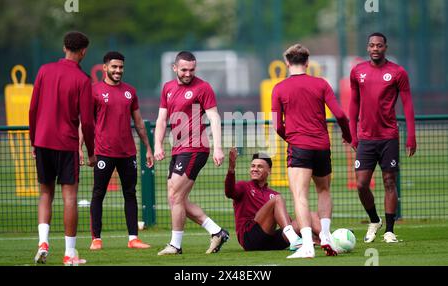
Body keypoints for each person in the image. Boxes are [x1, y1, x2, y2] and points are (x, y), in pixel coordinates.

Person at [272, 43, 351, 258]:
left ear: (287, 63)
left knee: (300, 196)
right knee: (323, 191)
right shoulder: (321, 84)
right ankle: (325, 236)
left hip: (300, 147)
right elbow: (341, 115)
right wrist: (348, 135)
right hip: (322, 147)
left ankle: (307, 245)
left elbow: (277, 125)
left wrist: (291, 139)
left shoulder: (279, 88)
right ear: (307, 62)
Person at [29, 31, 96, 266]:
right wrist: (90, 150)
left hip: (42, 141)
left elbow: (33, 109)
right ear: (83, 51)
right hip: (66, 144)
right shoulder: (83, 80)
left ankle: (43, 243)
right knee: (70, 198)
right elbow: (87, 121)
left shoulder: (44, 71)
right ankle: (69, 254)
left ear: (63, 46)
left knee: (45, 194)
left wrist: (33, 141)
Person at [154, 51, 229, 255]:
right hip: (177, 149)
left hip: (196, 148)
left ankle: (175, 245)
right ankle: (217, 232)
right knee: (175, 198)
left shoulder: (203, 87)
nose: (188, 73)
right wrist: (158, 145)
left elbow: (214, 117)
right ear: (175, 68)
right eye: (184, 69)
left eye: (192, 69)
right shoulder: (167, 88)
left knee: (175, 196)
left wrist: (218, 147)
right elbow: (161, 119)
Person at [79, 51, 155, 251]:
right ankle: (96, 239)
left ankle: (133, 238)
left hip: (128, 153)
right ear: (105, 68)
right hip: (103, 152)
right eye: (114, 67)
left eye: (120, 67)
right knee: (98, 193)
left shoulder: (130, 91)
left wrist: (148, 147)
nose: (118, 70)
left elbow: (138, 122)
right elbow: (85, 122)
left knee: (130, 193)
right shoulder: (94, 91)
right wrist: (80, 148)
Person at [349, 32, 416, 244]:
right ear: (367, 48)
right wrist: (352, 133)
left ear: (385, 47)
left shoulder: (398, 72)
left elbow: (407, 104)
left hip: (389, 137)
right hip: (366, 138)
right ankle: (374, 220)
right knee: (361, 184)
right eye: (371, 45)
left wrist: (411, 136)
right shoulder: (357, 72)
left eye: (379, 45)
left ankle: (389, 230)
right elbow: (353, 104)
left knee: (389, 182)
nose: (375, 48)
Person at [225, 148, 322, 251]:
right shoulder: (244, 186)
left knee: (310, 215)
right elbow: (229, 192)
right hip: (250, 239)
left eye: (260, 166)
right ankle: (294, 239)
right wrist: (231, 169)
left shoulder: (273, 194)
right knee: (277, 199)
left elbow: (287, 222)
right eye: (253, 166)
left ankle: (328, 240)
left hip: (270, 240)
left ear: (269, 171)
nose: (255, 169)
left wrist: (308, 236)